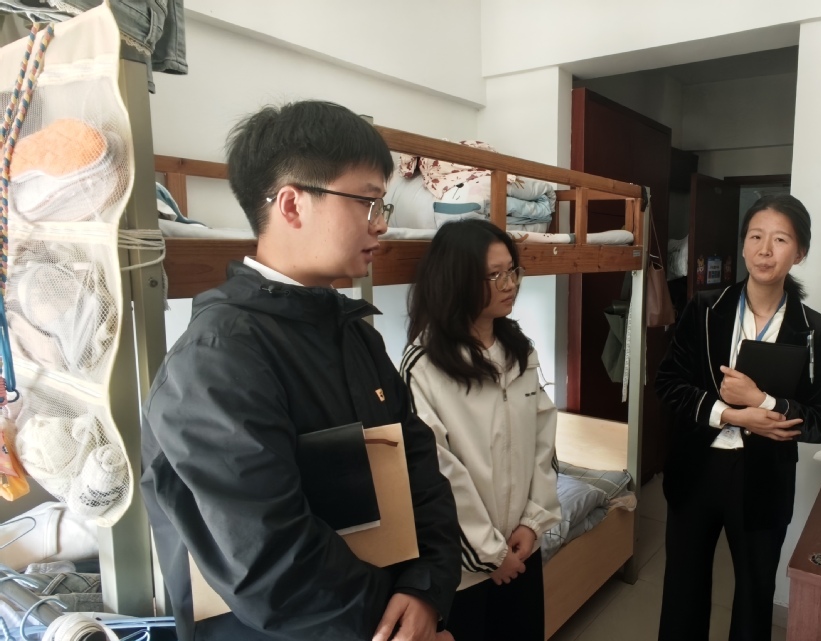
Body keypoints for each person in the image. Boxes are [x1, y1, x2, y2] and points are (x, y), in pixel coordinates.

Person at [140, 100, 462, 641]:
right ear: (292, 204)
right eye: (368, 202)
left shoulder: (353, 332)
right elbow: (267, 559)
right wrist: (397, 627)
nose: (382, 224)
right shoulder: (217, 359)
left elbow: (417, 465)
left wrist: (425, 588)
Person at [655, 194, 821, 641]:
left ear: (800, 252)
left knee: (755, 599)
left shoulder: (814, 329)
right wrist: (730, 414)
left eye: (780, 240)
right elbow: (668, 383)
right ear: (742, 245)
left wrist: (764, 402)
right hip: (697, 471)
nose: (765, 250)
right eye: (756, 237)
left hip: (763, 481)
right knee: (682, 594)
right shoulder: (704, 309)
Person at [400, 219, 560, 641]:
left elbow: (543, 442)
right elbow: (437, 473)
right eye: (495, 275)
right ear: (457, 280)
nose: (511, 284)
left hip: (522, 546)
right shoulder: (424, 367)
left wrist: (532, 522)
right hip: (464, 569)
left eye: (513, 271)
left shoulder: (519, 352)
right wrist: (491, 555)